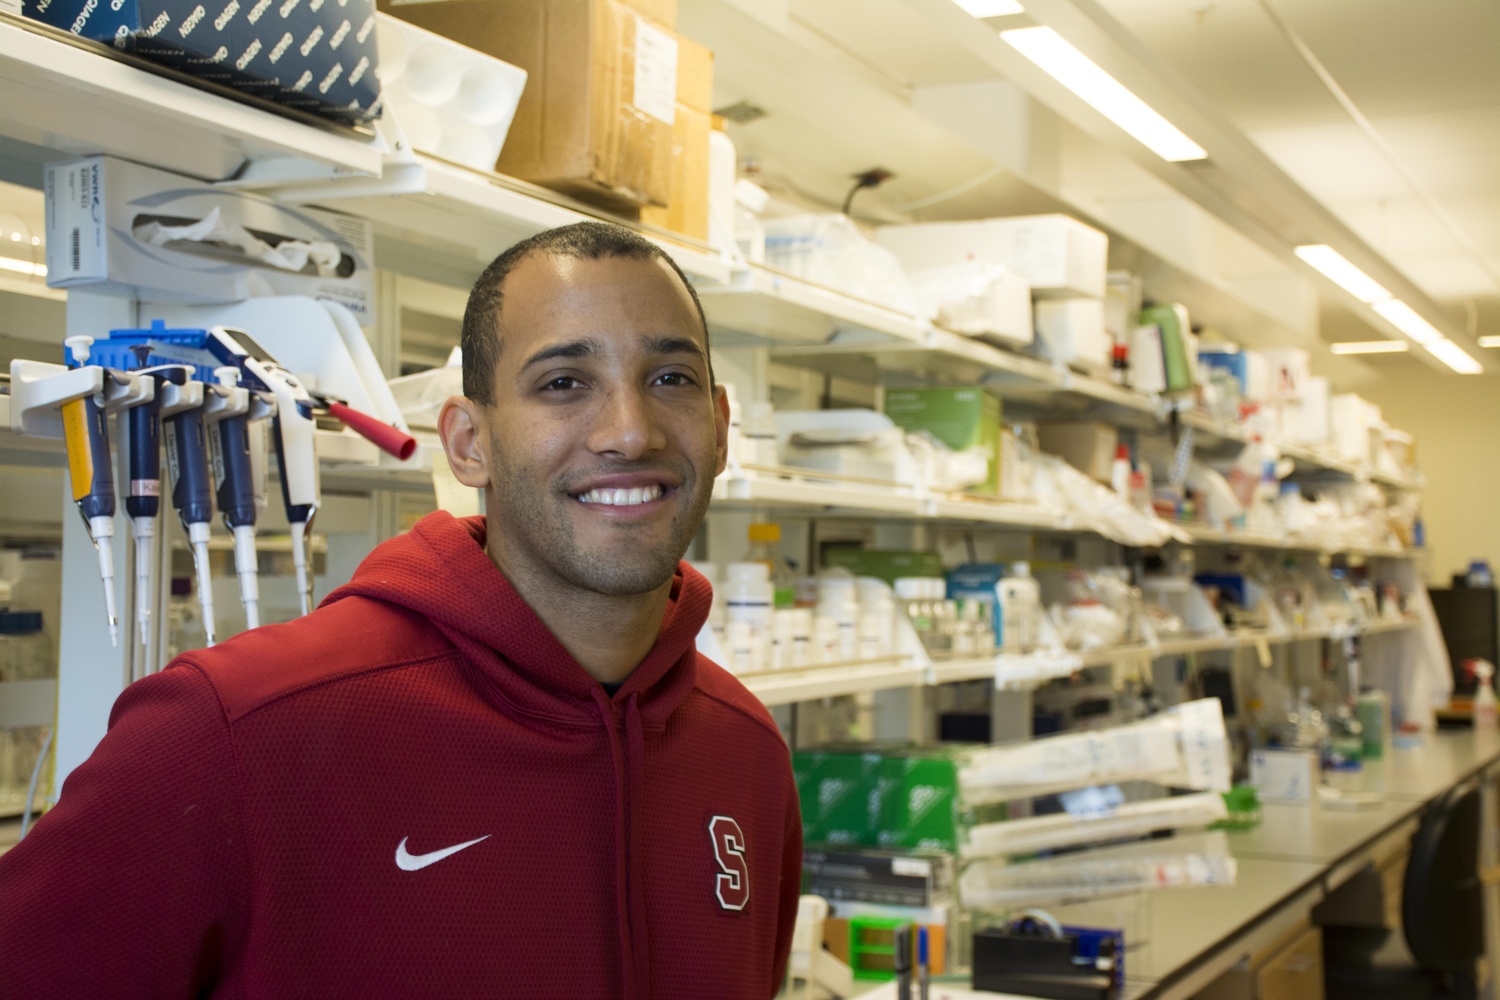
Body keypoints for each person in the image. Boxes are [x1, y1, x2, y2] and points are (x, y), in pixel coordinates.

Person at [0, 222, 803, 999]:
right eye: (563, 383)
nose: (631, 431)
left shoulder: (746, 753)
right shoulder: (235, 730)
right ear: (467, 443)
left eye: (671, 379)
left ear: (721, 428)